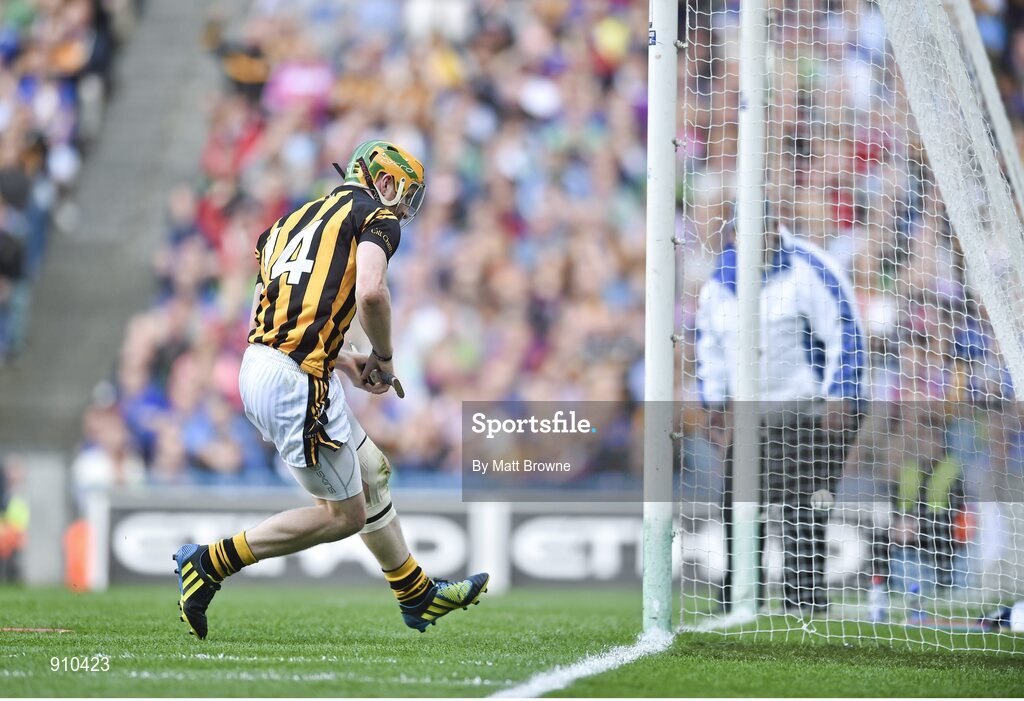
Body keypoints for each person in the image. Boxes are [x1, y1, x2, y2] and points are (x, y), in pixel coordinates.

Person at [173, 140, 489, 639]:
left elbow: (277, 312)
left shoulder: (285, 225)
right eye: (402, 191)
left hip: (269, 364)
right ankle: (210, 562)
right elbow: (370, 291)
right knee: (343, 516)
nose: (403, 206)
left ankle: (415, 593)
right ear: (379, 178)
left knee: (372, 471)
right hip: (295, 379)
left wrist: (342, 362)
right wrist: (384, 356)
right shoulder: (375, 216)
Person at [695, 215, 867, 614]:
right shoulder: (719, 284)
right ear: (735, 233)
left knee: (805, 507)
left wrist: (840, 395)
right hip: (753, 415)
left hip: (811, 412)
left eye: (764, 225)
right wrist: (714, 404)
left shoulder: (810, 267)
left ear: (774, 226)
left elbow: (845, 329)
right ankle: (738, 596)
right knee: (737, 503)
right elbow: (709, 347)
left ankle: (804, 598)